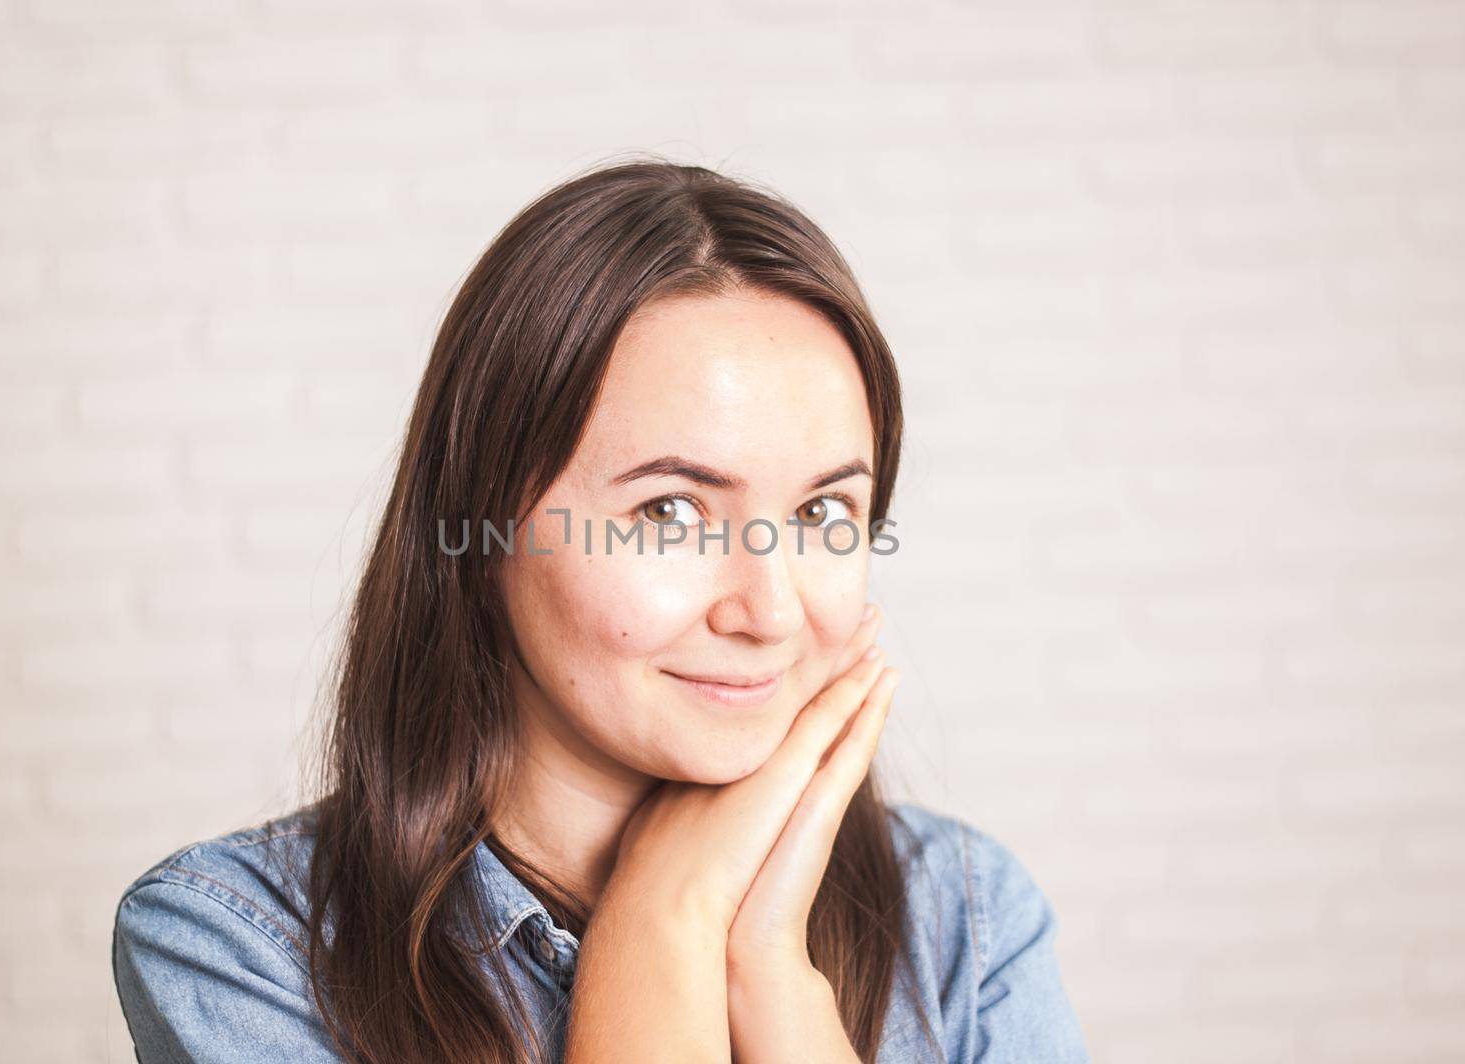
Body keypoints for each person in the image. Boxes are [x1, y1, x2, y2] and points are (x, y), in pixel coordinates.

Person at [111, 157, 1090, 1063]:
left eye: (821, 511)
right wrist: (658, 921)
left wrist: (769, 972)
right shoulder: (242, 942)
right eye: (670, 510)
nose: (770, 607)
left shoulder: (964, 916)